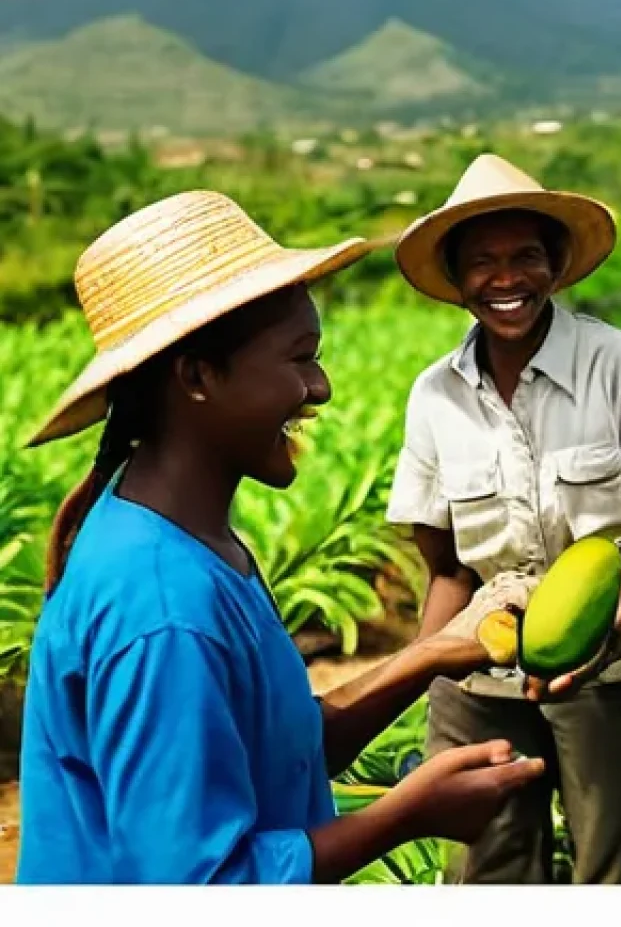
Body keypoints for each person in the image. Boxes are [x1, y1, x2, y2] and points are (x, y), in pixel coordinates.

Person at [15, 190, 545, 885]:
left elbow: (283, 749)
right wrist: (408, 813)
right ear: (198, 377)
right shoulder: (161, 604)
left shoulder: (190, 541)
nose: (319, 387)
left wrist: (434, 655)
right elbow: (202, 886)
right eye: (299, 359)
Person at [386, 154, 621, 884]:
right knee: (486, 870)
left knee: (613, 866)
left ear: (557, 264)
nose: (505, 280)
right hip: (480, 672)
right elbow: (446, 567)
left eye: (525, 257)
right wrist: (427, 675)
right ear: (456, 278)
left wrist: (600, 649)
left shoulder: (620, 363)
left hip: (609, 662)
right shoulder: (434, 395)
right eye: (482, 262)